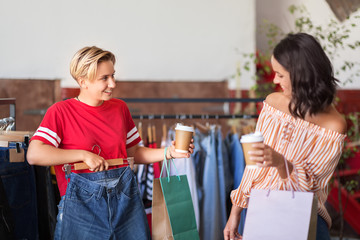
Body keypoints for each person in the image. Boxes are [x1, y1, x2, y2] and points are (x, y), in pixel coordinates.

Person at [27, 46, 194, 240]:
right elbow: (34, 154)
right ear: (83, 81)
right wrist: (83, 155)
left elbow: (134, 152)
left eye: (113, 76)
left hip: (126, 204)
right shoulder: (61, 112)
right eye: (104, 78)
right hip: (81, 211)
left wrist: (169, 152)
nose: (112, 84)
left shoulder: (120, 108)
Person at [224, 33, 347, 240]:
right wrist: (235, 212)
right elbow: (253, 167)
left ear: (302, 74)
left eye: (280, 75)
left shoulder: (334, 125)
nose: (274, 80)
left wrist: (282, 163)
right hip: (262, 211)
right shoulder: (273, 104)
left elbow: (311, 190)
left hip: (305, 221)